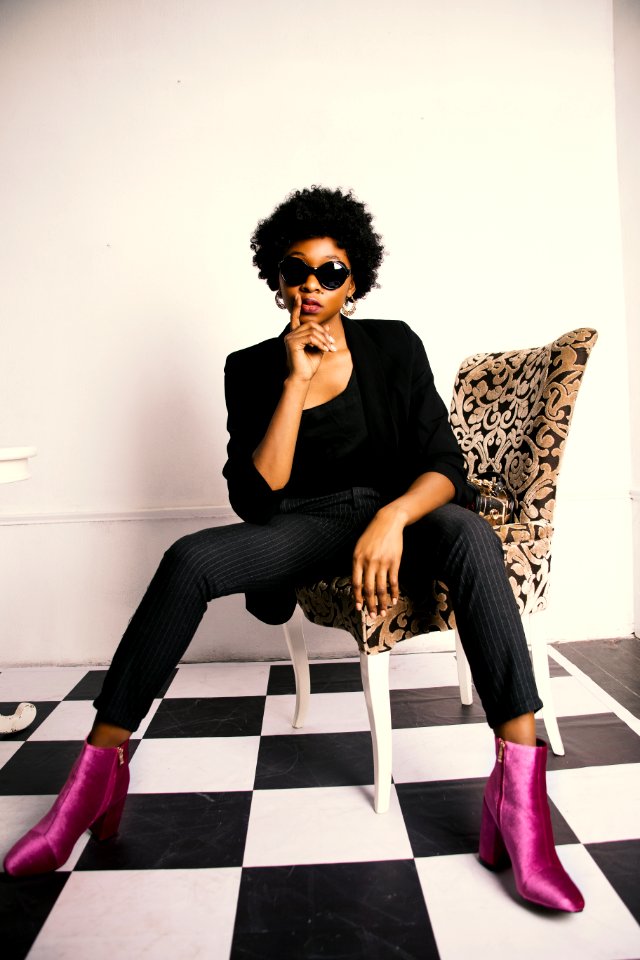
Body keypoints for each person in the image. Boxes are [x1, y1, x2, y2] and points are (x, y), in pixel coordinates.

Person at [4, 186, 583, 912]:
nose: (313, 284)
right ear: (276, 280)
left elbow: (445, 465)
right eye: (296, 270)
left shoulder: (395, 343)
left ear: (356, 278)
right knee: (190, 560)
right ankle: (94, 779)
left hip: (399, 515)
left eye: (331, 271)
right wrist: (295, 380)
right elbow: (256, 499)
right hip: (304, 524)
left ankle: (521, 802)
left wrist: (393, 516)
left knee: (469, 532)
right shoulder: (249, 367)